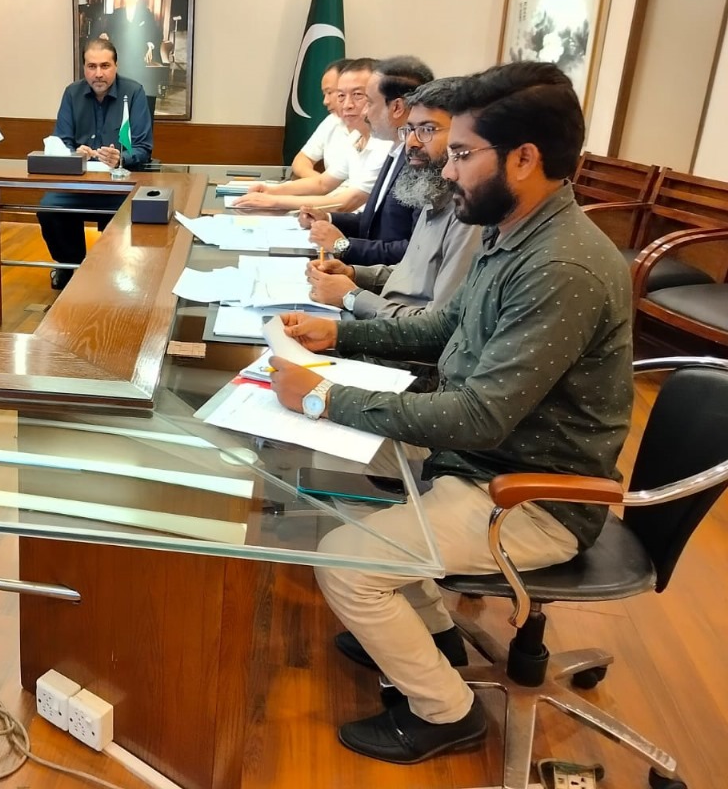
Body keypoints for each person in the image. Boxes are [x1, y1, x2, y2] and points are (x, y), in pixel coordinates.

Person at [268, 62, 633, 765]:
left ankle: (446, 711)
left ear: (524, 159)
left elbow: (478, 417)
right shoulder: (513, 230)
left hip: (532, 495)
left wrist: (324, 396)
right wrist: (339, 335)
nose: (447, 167)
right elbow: (444, 327)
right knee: (340, 477)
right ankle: (434, 637)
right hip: (482, 462)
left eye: (462, 153)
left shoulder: (562, 267)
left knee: (343, 563)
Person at [305, 76, 483, 318]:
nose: (412, 142)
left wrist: (351, 297)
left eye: (427, 130)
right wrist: (354, 274)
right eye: (409, 130)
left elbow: (438, 324)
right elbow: (410, 275)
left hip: (397, 336)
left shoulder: (469, 214)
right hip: (383, 319)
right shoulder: (432, 190)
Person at [38, 39, 153, 291]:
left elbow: (143, 148)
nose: (98, 73)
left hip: (120, 185)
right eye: (92, 66)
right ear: (84, 68)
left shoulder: (133, 92)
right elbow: (61, 141)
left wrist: (121, 158)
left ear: (116, 66)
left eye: (105, 66)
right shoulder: (72, 93)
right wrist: (73, 154)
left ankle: (116, 267)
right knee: (49, 208)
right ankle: (70, 265)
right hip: (79, 183)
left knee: (133, 214)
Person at [303, 56, 434, 266]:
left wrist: (343, 246)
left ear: (397, 107)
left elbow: (414, 249)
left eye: (370, 102)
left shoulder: (422, 161)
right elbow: (373, 223)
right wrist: (328, 218)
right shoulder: (396, 150)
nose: (365, 112)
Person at [233, 58, 391, 212]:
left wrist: (274, 201)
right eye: (341, 96)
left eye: (357, 94)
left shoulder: (386, 143)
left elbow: (346, 203)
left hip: (363, 224)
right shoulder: (356, 137)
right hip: (345, 219)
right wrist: (271, 190)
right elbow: (322, 183)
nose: (347, 105)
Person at [95, 0, 164, 105]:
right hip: (121, 59)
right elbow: (108, 32)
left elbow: (156, 33)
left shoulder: (146, 13)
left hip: (139, 59)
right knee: (122, 93)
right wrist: (105, 36)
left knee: (139, 94)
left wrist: (149, 45)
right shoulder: (117, 14)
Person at [289, 58, 356, 179]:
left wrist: (323, 185)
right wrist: (320, 182)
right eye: (324, 94)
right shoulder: (332, 121)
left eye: (329, 92)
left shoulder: (378, 129)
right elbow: (301, 160)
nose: (325, 101)